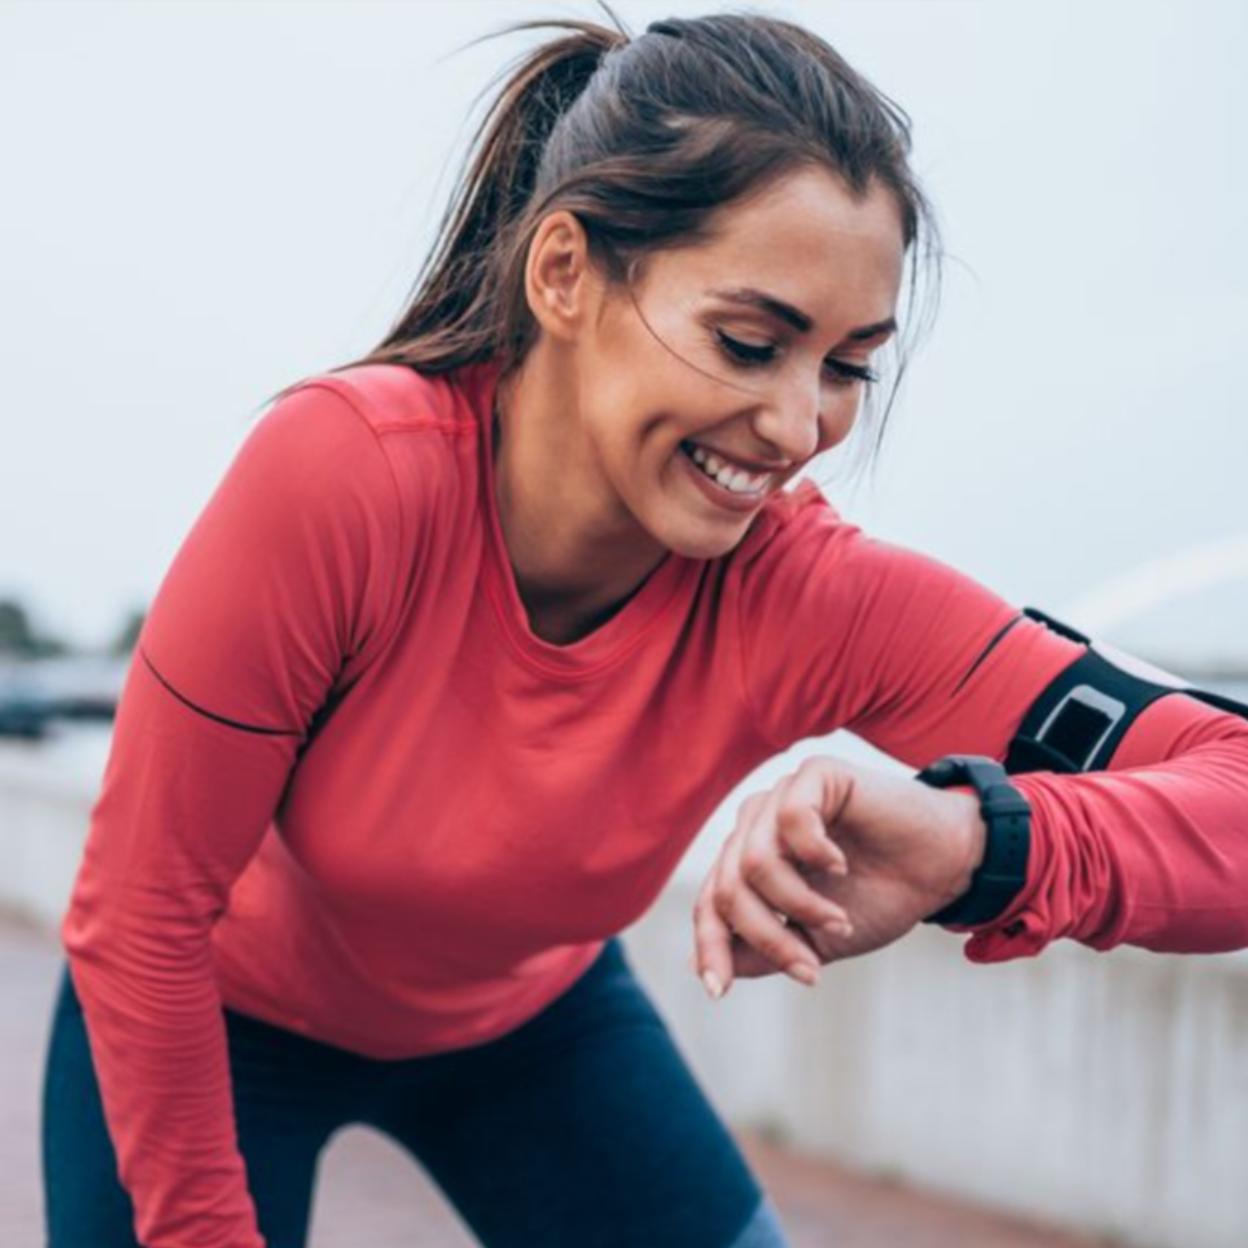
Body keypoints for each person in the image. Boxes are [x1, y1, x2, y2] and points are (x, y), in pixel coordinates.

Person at [38, 8, 1248, 1248]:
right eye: (750, 342)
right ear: (563, 273)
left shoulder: (808, 596)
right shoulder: (347, 478)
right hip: (209, 1017)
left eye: (846, 366)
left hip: (529, 1033)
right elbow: (142, 914)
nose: (795, 427)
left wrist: (974, 839)